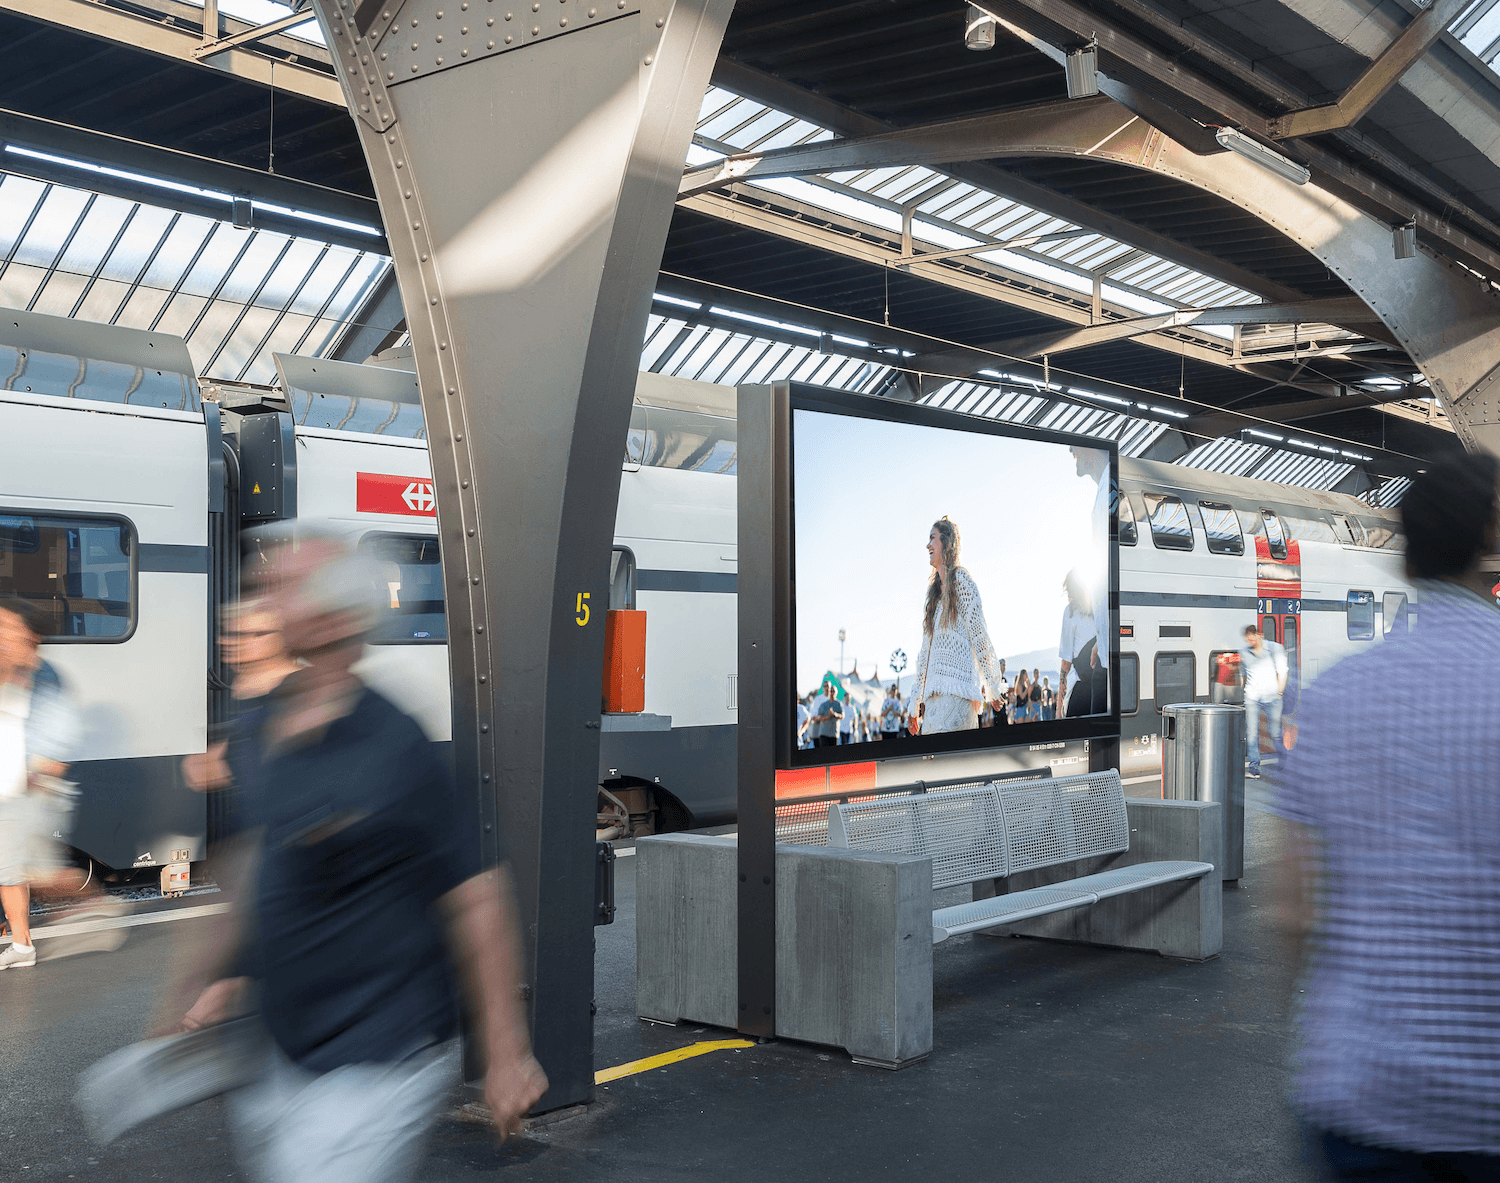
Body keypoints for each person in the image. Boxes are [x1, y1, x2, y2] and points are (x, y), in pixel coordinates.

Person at [174, 533, 547, 1178]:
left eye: (279, 590)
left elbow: (477, 895)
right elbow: (259, 867)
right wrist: (216, 973)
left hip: (380, 1051)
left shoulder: (396, 748)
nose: (259, 603)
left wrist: (507, 1052)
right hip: (282, 1045)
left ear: (328, 620)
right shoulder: (261, 721)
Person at [1275, 453, 1500, 1178]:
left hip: (1360, 1092)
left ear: (1407, 557)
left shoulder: (1331, 697)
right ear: (1491, 540)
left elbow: (1294, 914)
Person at [0, 597, 92, 970]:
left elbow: (58, 748)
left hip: (30, 792)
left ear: (30, 635)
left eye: (8, 627)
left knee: (23, 871)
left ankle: (88, 899)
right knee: (11, 870)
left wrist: (32, 781)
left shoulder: (48, 679)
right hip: (9, 788)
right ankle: (22, 946)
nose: (2, 633)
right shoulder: (7, 672)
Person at [906, 518, 1004, 735]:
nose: (928, 545)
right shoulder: (933, 595)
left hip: (958, 696)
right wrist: (915, 703)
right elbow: (925, 654)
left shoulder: (961, 581)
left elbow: (979, 635)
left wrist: (993, 686)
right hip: (933, 703)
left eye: (933, 538)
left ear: (947, 542)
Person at [1068, 444, 1112, 696]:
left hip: (1109, 659)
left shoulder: (1110, 492)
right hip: (1104, 650)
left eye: (1074, 445)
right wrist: (1100, 638)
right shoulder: (1104, 491)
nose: (1070, 451)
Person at [1240, 623, 1288, 780]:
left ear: (1260, 635)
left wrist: (1279, 692)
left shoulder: (1275, 649)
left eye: (1253, 638)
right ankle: (1254, 767)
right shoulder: (1244, 652)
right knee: (1252, 733)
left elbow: (1282, 672)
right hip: (1252, 698)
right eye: (1248, 639)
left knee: (1274, 733)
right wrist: (1245, 690)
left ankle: (1285, 760)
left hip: (1272, 697)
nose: (1251, 642)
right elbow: (1243, 674)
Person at [1057, 568, 1105, 718]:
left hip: (1082, 690)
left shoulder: (1070, 612)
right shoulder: (1100, 608)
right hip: (1102, 685)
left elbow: (1066, 664)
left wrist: (1058, 710)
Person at [810, 679, 842, 748]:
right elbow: (813, 716)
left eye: (828, 686)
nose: (827, 688)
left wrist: (834, 715)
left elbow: (841, 715)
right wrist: (826, 717)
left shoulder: (836, 702)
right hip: (819, 730)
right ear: (823, 688)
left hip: (832, 732)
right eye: (825, 686)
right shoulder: (818, 699)